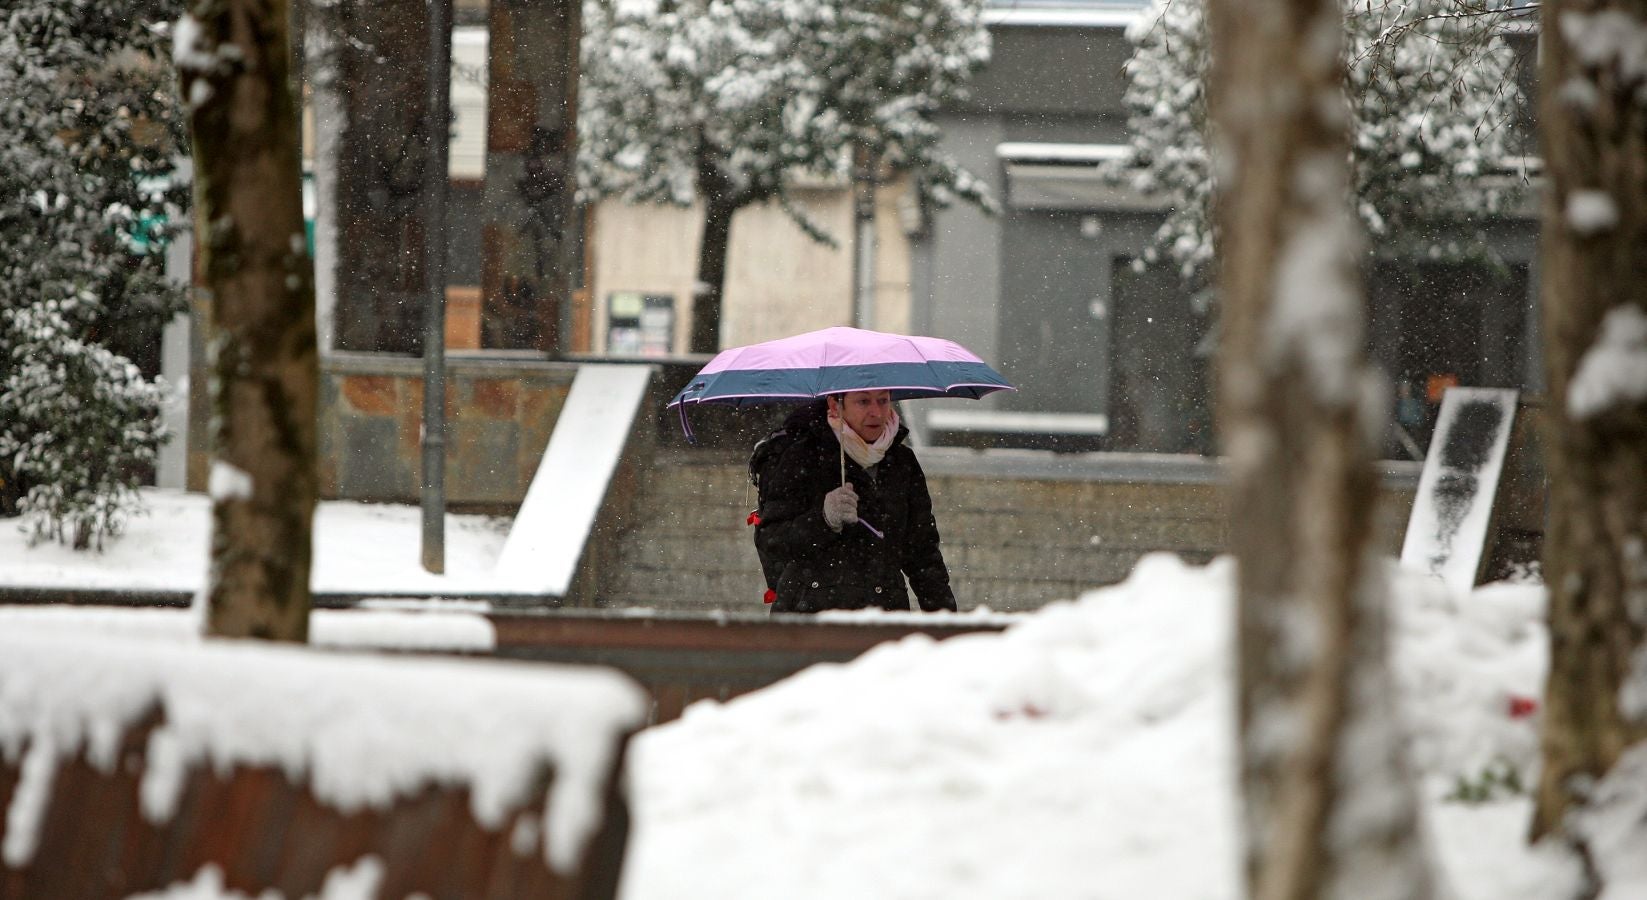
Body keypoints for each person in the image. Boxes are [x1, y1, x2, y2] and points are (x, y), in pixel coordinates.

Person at [754, 390, 957, 614]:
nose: (876, 412)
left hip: (884, 618)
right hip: (811, 619)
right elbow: (772, 541)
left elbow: (922, 553)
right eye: (863, 401)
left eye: (883, 400)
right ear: (835, 405)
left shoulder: (902, 462)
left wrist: (945, 620)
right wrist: (823, 520)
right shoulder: (802, 456)